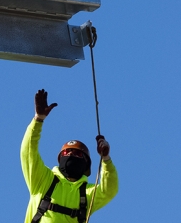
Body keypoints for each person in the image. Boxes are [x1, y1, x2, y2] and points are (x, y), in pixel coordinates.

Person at [21, 89, 118, 223]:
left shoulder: (87, 193)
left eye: (77, 153)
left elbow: (109, 190)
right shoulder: (43, 180)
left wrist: (106, 159)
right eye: (67, 152)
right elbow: (28, 152)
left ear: (85, 163)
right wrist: (38, 120)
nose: (71, 154)